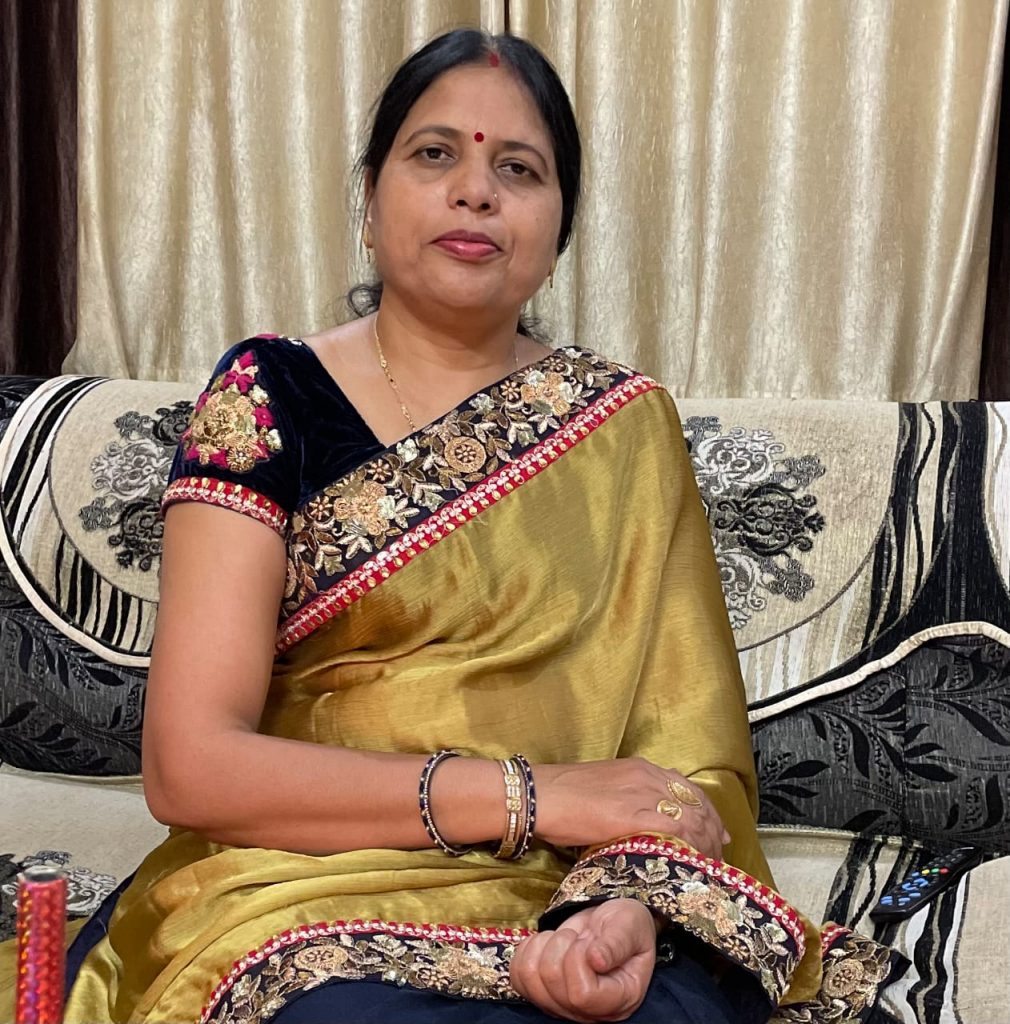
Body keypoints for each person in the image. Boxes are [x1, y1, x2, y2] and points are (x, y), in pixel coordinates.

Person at [11, 28, 903, 1024]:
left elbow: (691, 764)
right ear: (368, 201)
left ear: (558, 231)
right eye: (434, 154)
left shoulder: (625, 428)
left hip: (567, 886)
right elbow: (191, 766)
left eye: (518, 168)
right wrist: (532, 795)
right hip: (305, 884)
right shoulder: (269, 396)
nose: (475, 190)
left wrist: (623, 909)